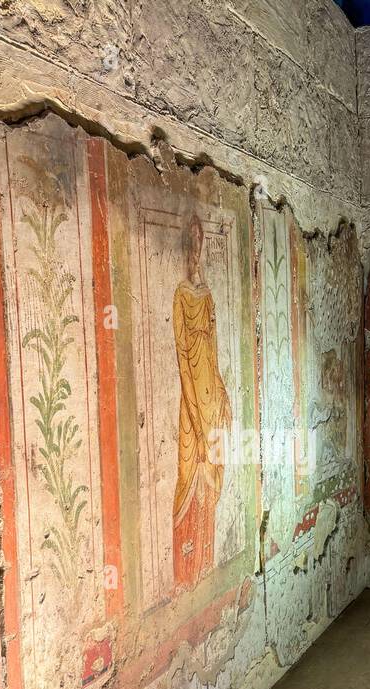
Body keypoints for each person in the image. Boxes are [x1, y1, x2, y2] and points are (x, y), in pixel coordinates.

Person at [171, 216, 231, 589]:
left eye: (200, 240)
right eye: (191, 240)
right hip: (191, 397)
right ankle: (184, 572)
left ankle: (206, 559)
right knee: (188, 470)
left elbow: (214, 348)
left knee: (212, 473)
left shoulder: (206, 293)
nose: (196, 247)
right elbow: (183, 351)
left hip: (212, 392)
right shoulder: (180, 294)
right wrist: (194, 408)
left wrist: (221, 390)